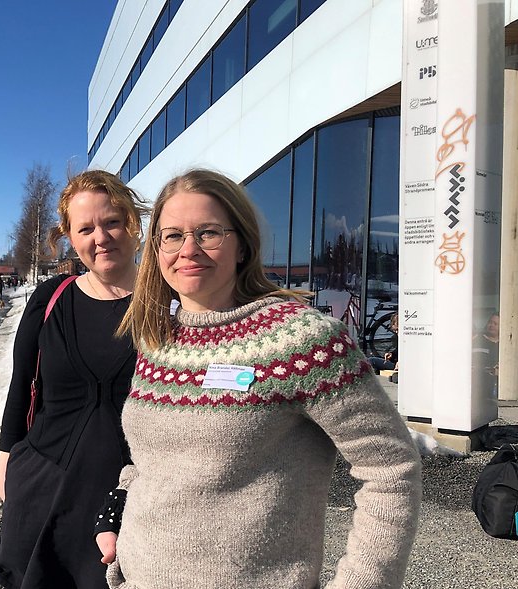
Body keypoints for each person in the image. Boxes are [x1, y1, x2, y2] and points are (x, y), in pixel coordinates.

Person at [95, 169, 421, 589]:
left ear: (243, 246)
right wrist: (116, 513)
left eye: (208, 233)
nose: (188, 249)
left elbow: (391, 469)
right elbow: (152, 460)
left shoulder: (302, 341)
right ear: (157, 249)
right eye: (172, 235)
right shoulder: (159, 339)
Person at [0, 170, 149, 589]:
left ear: (134, 223)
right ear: (70, 238)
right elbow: (21, 385)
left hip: (131, 496)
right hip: (43, 488)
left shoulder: (167, 305)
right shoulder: (50, 299)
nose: (101, 237)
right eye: (86, 228)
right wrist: (7, 461)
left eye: (112, 222)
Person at [473, 312, 500, 397]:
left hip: (498, 391)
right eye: (490, 322)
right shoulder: (476, 340)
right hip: (478, 389)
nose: (491, 325)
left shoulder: (508, 344)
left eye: (495, 324)